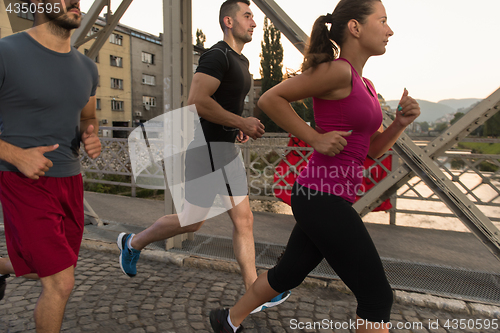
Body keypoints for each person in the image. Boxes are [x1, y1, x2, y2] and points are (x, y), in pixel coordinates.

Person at [209, 0, 421, 332]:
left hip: (327, 196)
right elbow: (269, 99)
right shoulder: (337, 70)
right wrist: (315, 138)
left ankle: (228, 319)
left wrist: (401, 123)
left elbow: (371, 151)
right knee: (377, 297)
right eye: (382, 21)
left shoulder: (366, 86)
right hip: (321, 195)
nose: (389, 30)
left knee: (287, 274)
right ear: (355, 27)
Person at [117, 0, 290, 312]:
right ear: (228, 21)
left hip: (225, 149)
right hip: (205, 151)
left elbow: (221, 107)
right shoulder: (217, 55)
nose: (253, 23)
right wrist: (241, 121)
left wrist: (234, 126)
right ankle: (133, 243)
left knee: (243, 220)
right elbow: (196, 100)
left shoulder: (243, 62)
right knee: (191, 222)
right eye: (247, 16)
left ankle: (253, 292)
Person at [0, 0, 101, 332]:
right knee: (61, 283)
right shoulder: (6, 52)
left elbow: (88, 116)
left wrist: (91, 135)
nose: (76, 2)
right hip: (21, 181)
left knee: (51, 267)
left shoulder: (88, 68)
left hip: (71, 181)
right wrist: (16, 155)